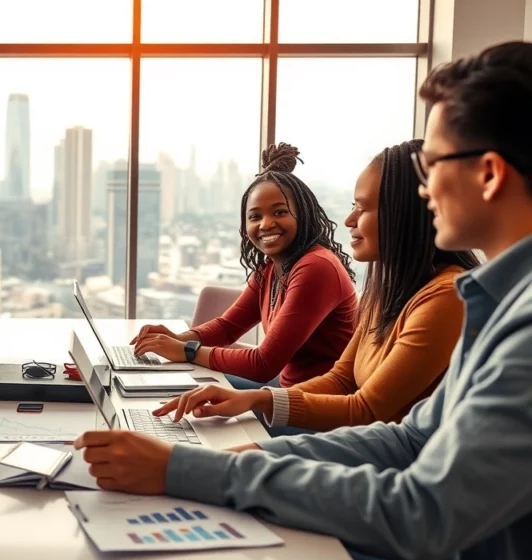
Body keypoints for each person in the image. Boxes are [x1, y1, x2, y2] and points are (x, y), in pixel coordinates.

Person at [74, 41, 532, 560]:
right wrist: (249, 460)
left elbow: (422, 511)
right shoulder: (495, 302)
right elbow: (409, 437)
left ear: (490, 174)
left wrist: (206, 472)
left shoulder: (510, 321)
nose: (424, 189)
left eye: (431, 165)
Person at [157, 139, 481, 434]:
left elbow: (366, 408)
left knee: (204, 436)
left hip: (370, 444)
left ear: (404, 214)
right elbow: (341, 379)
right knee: (195, 422)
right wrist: (255, 397)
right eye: (254, 216)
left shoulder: (445, 297)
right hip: (337, 417)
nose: (349, 221)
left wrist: (258, 399)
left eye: (362, 207)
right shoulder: (384, 291)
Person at [132, 143, 358, 390]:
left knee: (191, 404)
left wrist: (186, 351)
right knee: (182, 388)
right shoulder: (270, 269)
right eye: (255, 217)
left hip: (321, 410)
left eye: (280, 212)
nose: (266, 224)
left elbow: (263, 365)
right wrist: (176, 339)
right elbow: (227, 328)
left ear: (303, 215)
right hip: (290, 392)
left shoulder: (317, 267)